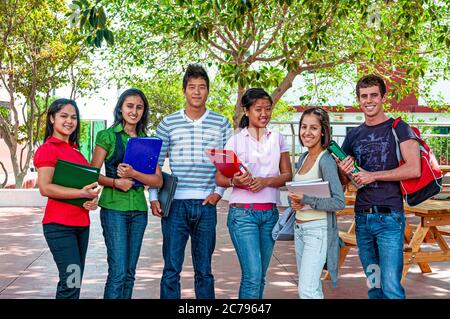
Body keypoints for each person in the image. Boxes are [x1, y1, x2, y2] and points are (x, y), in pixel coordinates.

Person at [149, 64, 232, 299]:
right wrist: (154, 196)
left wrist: (218, 193)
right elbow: (155, 162)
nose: (197, 92)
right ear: (184, 90)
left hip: (206, 205)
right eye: (192, 87)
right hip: (174, 204)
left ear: (208, 91)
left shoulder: (221, 123)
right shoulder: (168, 123)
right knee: (171, 269)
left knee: (204, 271)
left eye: (202, 87)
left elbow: (227, 163)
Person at [337, 74, 421, 299]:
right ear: (358, 100)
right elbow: (346, 181)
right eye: (364, 96)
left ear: (384, 97)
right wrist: (343, 171)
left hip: (390, 219)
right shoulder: (353, 135)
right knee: (374, 285)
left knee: (391, 287)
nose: (369, 100)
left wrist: (373, 176)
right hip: (362, 219)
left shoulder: (399, 127)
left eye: (374, 95)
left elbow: (414, 169)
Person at [215, 88, 292, 299]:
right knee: (252, 275)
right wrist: (234, 181)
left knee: (260, 276)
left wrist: (266, 181)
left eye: (268, 109)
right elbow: (219, 178)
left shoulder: (278, 138)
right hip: (243, 216)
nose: (264, 114)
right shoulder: (235, 141)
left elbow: (287, 175)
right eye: (258, 109)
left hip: (270, 215)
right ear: (246, 111)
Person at [91, 88, 163, 299]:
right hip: (114, 209)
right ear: (120, 108)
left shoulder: (147, 141)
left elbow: (157, 180)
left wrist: (134, 174)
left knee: (130, 274)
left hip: (139, 211)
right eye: (129, 106)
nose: (134, 111)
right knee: (118, 273)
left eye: (139, 107)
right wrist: (115, 182)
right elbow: (93, 174)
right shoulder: (107, 136)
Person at [34, 98, 99, 299]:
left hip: (81, 224)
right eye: (63, 116)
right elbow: (45, 188)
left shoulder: (77, 152)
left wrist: (91, 201)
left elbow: (87, 188)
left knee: (74, 280)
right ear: (52, 118)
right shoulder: (48, 149)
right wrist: (81, 193)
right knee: (71, 281)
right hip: (59, 226)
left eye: (73, 117)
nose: (69, 121)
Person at [288, 107, 345, 299]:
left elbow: (338, 202)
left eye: (313, 128)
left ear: (323, 131)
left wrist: (306, 200)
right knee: (313, 288)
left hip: (318, 232)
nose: (307, 132)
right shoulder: (303, 158)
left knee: (307, 290)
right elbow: (303, 195)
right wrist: (296, 202)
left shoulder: (326, 160)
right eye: (304, 127)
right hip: (300, 230)